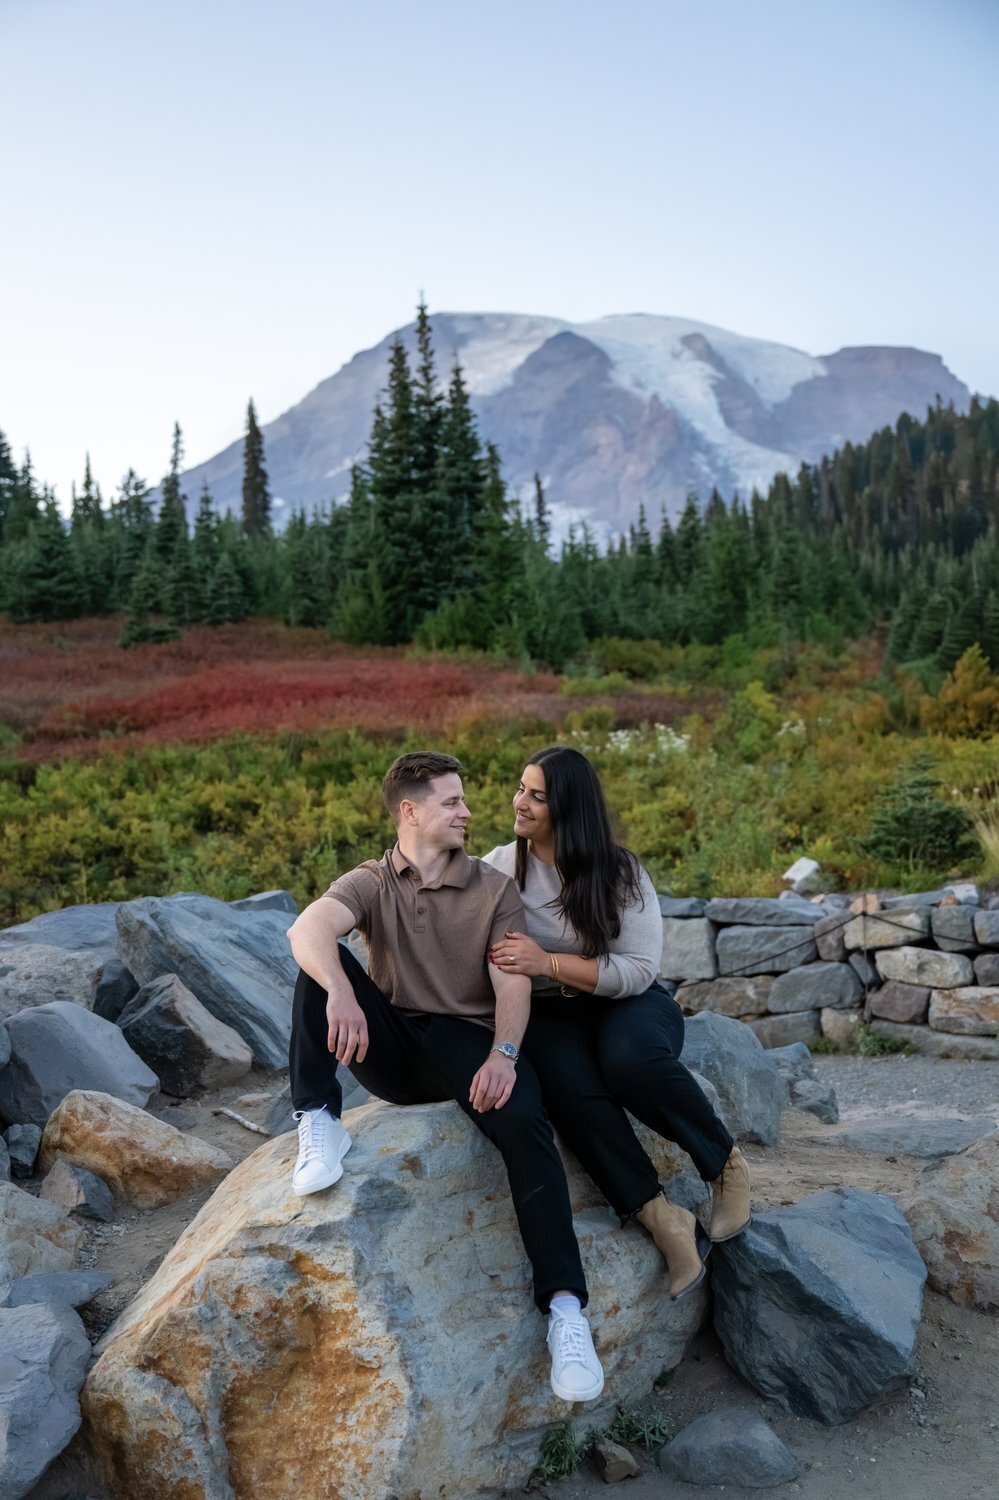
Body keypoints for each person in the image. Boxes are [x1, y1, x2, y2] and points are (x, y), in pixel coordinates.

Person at [286, 750, 604, 1403]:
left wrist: (504, 1055)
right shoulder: (373, 880)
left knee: (526, 1126)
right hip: (393, 1048)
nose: (467, 811)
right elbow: (308, 927)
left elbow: (509, 981)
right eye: (451, 802)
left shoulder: (492, 889)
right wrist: (339, 993)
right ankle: (318, 1120)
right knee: (317, 965)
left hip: (467, 1043)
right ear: (410, 811)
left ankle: (566, 1313)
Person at [482, 745, 751, 1299]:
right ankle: (663, 1220)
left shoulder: (619, 871)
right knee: (570, 1090)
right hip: (549, 1012)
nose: (520, 803)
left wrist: (547, 961)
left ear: (569, 808)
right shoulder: (499, 868)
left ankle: (723, 1165)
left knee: (631, 1062)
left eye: (537, 795)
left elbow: (636, 969)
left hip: (629, 1001)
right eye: (520, 789)